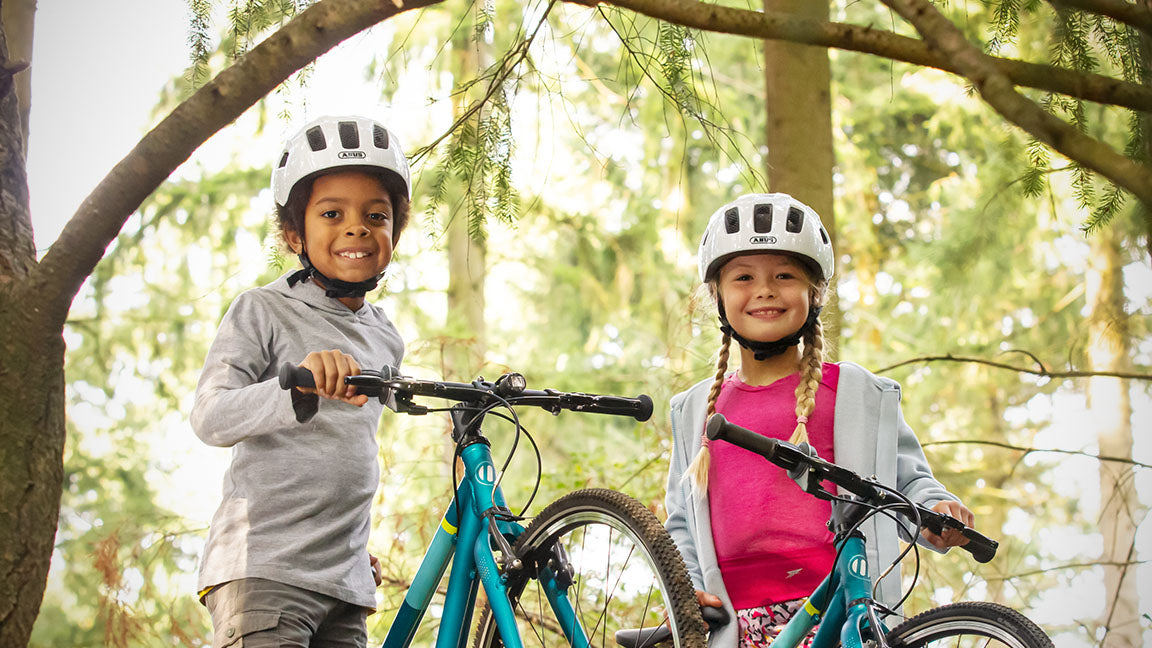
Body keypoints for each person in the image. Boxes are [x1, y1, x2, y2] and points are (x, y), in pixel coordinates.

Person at [664, 193, 974, 648]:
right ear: (717, 295)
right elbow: (681, 523)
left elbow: (905, 480)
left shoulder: (857, 394)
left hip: (840, 607)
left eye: (784, 275)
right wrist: (685, 589)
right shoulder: (695, 411)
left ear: (815, 293)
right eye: (743, 277)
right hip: (737, 622)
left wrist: (935, 510)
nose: (765, 290)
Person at [190, 115, 411, 646]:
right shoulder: (261, 309)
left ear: (393, 234)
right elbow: (210, 416)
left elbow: (342, 458)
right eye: (331, 213)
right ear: (294, 234)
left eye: (376, 216)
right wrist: (297, 387)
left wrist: (351, 553)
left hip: (345, 586)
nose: (356, 227)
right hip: (264, 569)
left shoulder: (386, 336)